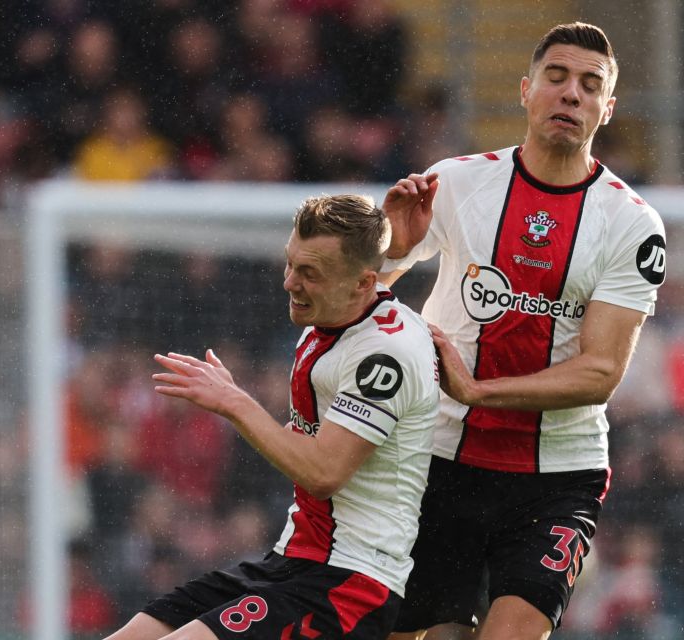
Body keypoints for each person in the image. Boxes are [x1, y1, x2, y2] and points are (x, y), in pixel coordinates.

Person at [379, 22, 667, 640]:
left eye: (590, 86)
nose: (571, 95)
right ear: (526, 89)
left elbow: (600, 373)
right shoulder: (456, 182)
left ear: (606, 109)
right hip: (439, 455)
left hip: (558, 474)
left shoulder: (632, 224)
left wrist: (479, 390)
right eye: (557, 78)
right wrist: (389, 249)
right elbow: (359, 282)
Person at [104, 194, 440, 640]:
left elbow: (323, 472)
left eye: (309, 274)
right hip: (292, 561)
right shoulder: (333, 314)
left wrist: (235, 402)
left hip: (348, 583)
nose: (289, 283)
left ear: (360, 284)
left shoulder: (384, 355)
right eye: (290, 263)